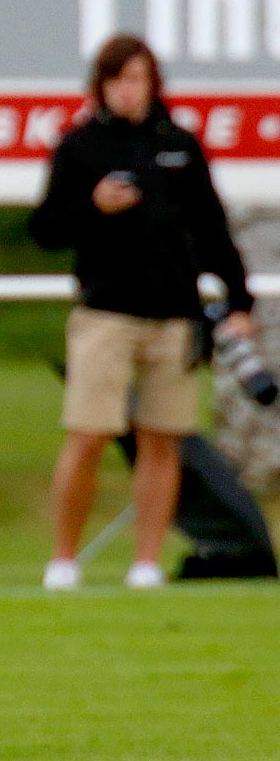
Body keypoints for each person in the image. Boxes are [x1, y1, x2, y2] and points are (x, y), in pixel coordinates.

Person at [29, 32, 255, 591]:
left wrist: (238, 300)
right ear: (101, 86)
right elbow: (46, 229)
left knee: (164, 438)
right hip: (107, 313)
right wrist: (94, 207)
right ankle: (64, 559)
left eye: (139, 79)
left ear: (154, 83)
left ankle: (146, 562)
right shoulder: (81, 147)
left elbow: (211, 227)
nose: (129, 91)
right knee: (89, 433)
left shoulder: (179, 144)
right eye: (118, 80)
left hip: (174, 315)